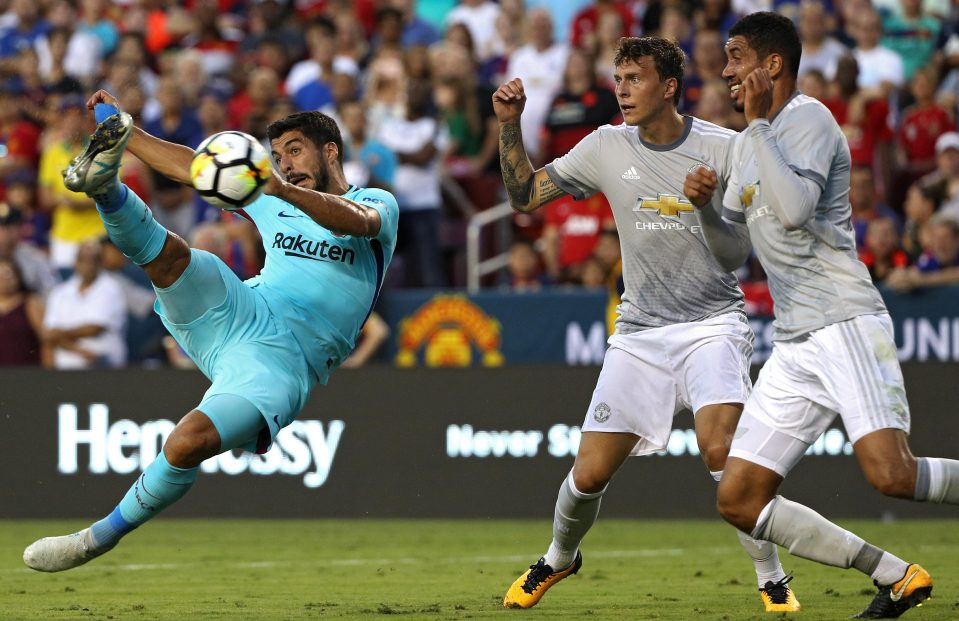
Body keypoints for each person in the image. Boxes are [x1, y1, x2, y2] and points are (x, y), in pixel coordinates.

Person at [22, 89, 398, 571]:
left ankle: (96, 539)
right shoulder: (269, 194)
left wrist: (284, 189)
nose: (285, 164)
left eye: (296, 150)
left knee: (186, 443)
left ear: (330, 151)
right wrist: (128, 133)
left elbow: (361, 224)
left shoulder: (375, 201)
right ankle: (105, 188)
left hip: (283, 361)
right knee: (173, 256)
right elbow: (194, 166)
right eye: (277, 156)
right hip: (244, 307)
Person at [494, 36, 799, 613]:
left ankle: (772, 575)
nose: (622, 89)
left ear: (669, 88)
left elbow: (746, 244)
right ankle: (560, 557)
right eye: (618, 78)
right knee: (587, 477)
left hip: (713, 323)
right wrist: (510, 125)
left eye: (635, 78)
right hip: (639, 333)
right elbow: (525, 196)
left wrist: (715, 205)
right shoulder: (607, 145)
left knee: (721, 453)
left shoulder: (724, 147)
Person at [683, 11, 959, 618]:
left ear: (771, 65)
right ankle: (895, 576)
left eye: (735, 56)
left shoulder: (806, 118)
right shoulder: (749, 141)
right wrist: (706, 210)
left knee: (892, 474)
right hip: (796, 340)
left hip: (844, 319)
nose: (724, 70)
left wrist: (755, 128)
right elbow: (733, 251)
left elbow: (795, 210)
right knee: (739, 496)